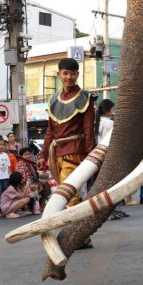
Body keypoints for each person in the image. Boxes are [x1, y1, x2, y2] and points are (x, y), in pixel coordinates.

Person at [40, 58, 96, 190]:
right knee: (64, 192)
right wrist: (43, 156)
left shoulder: (85, 97)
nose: (69, 77)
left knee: (69, 193)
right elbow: (50, 131)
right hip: (56, 154)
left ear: (77, 74)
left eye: (73, 73)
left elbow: (89, 129)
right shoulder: (53, 99)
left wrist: (91, 156)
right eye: (65, 73)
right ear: (59, 74)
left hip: (75, 152)